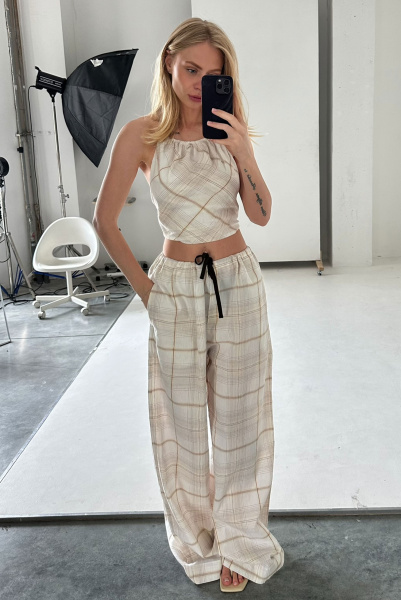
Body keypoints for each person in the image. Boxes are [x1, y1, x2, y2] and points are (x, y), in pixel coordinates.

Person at [93, 16, 284, 593]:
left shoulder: (230, 129)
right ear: (169, 65)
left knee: (242, 421)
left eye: (213, 73)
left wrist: (243, 150)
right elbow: (105, 221)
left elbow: (261, 214)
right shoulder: (142, 135)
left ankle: (240, 540)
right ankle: (200, 541)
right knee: (179, 427)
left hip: (238, 283)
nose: (201, 83)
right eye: (191, 69)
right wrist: (147, 292)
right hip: (174, 287)